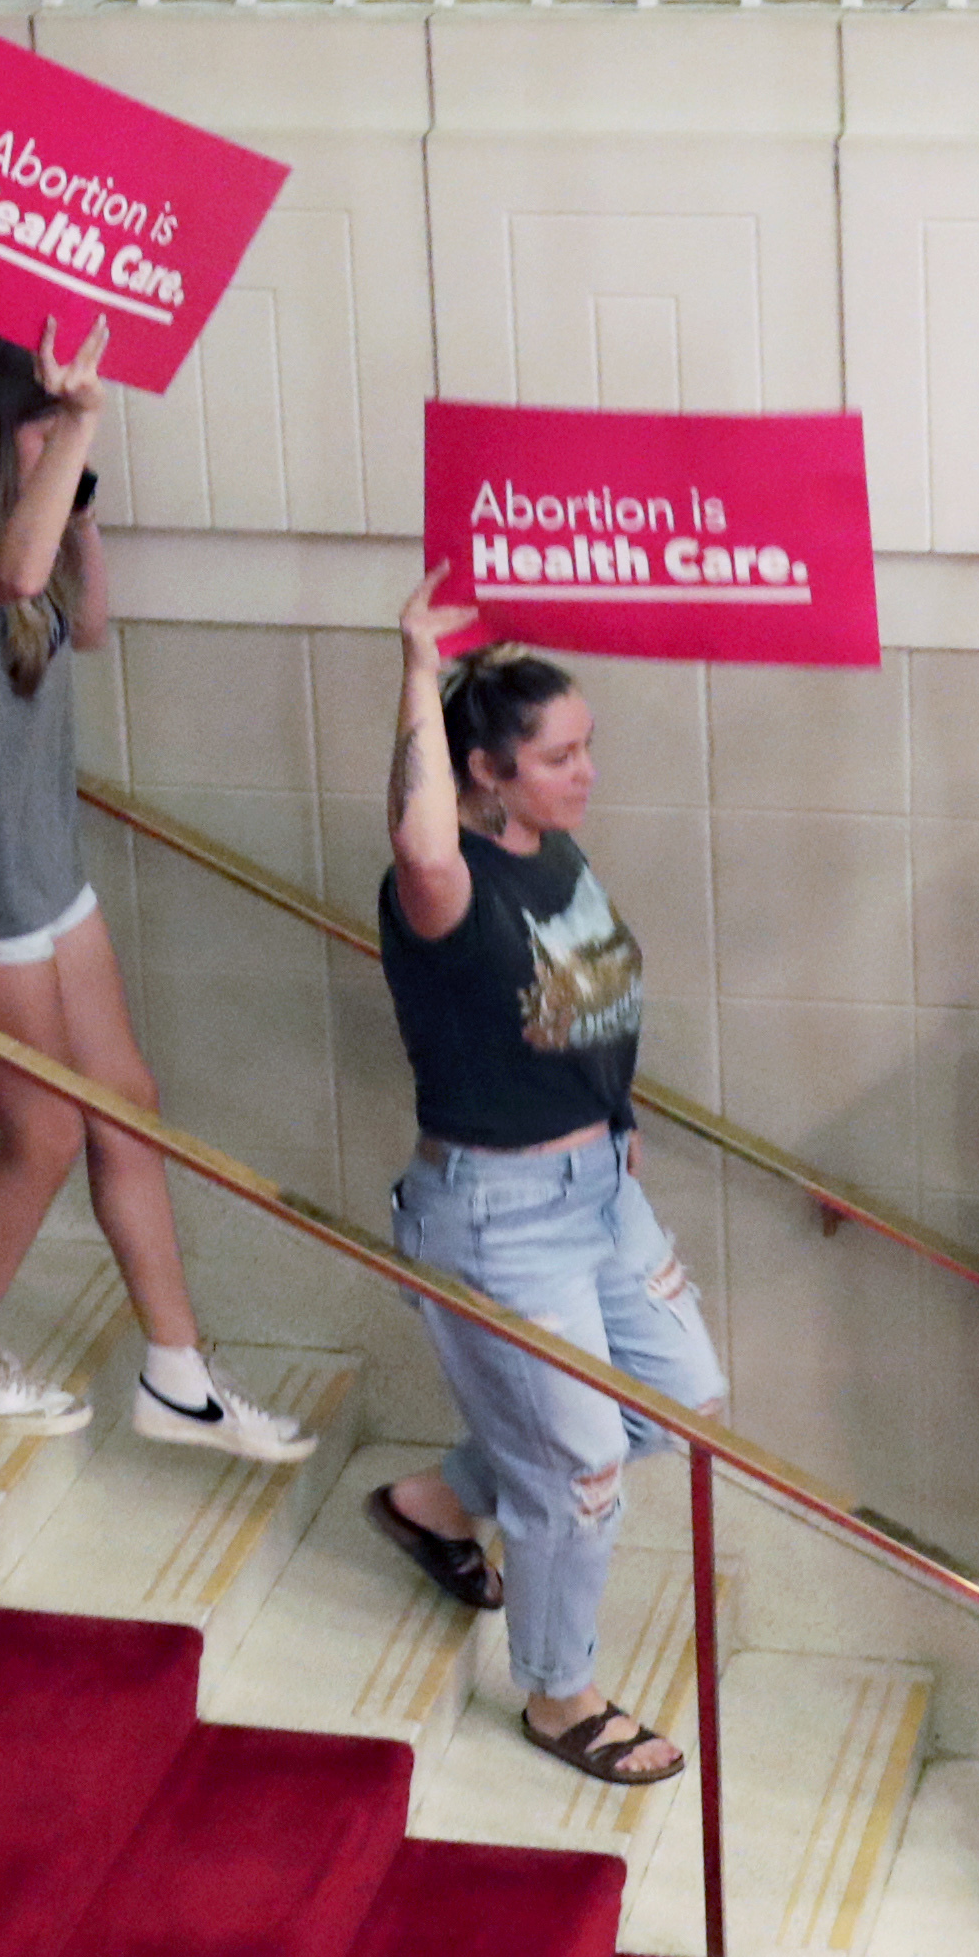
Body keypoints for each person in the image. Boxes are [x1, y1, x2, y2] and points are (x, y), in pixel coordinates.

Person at [0, 328, 311, 1463]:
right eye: (40, 431)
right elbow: (11, 578)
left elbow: (88, 618)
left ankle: (177, 1375)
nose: (57, 450)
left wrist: (79, 497)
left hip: (44, 880)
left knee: (125, 1099)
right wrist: (86, 421)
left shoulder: (25, 542)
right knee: (47, 1131)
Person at [359, 585, 726, 1789]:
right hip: (499, 1221)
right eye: (559, 757)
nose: (585, 774)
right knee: (578, 1479)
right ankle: (557, 1693)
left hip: (598, 1193)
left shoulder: (543, 844)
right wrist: (418, 660)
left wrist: (613, 1128)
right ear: (485, 770)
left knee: (677, 1395)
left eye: (586, 748)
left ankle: (441, 1496)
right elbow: (416, 837)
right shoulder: (443, 883)